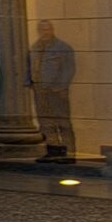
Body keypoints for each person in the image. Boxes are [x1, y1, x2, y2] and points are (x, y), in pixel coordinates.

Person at [29, 20, 79, 160]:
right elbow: (31, 66)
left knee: (62, 122)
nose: (45, 32)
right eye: (42, 30)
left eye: (47, 29)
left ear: (52, 30)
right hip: (40, 91)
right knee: (45, 123)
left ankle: (68, 152)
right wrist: (31, 83)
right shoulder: (35, 47)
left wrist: (61, 87)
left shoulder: (63, 47)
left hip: (57, 91)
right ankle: (53, 150)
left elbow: (69, 69)